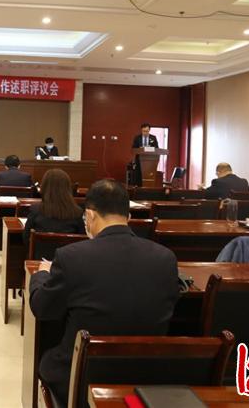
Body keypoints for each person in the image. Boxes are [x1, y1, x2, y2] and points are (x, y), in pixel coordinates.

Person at [29, 179, 179, 405]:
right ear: (128, 216)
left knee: (49, 357)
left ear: (89, 216)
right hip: (145, 375)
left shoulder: (71, 257)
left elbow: (42, 308)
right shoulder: (165, 258)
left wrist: (41, 275)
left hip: (81, 378)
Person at [23, 169, 83, 245]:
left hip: (39, 252)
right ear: (67, 188)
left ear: (44, 186)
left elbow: (26, 238)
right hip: (68, 252)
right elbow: (82, 239)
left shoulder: (35, 209)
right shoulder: (77, 212)